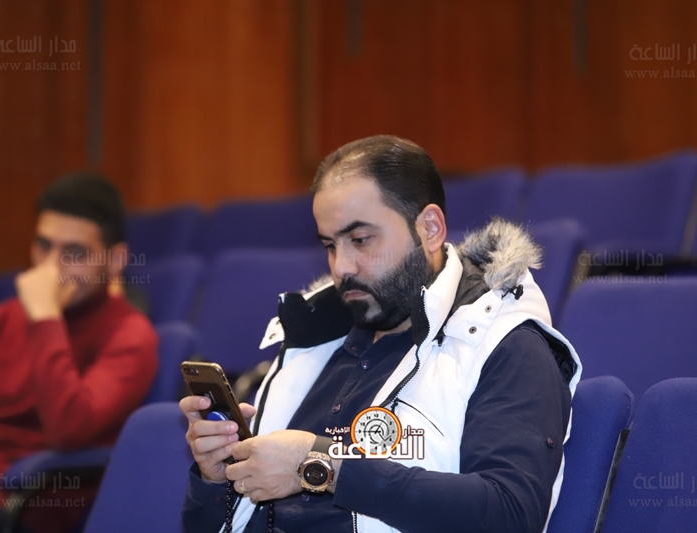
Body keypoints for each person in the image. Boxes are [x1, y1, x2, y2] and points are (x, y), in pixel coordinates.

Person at [181, 136, 581, 533]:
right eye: (330, 245)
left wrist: (322, 464)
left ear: (430, 229)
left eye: (360, 240)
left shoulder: (506, 343)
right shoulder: (312, 343)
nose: (342, 267)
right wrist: (217, 480)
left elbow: (509, 514)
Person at [0, 173, 158, 533]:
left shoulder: (131, 334)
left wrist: (45, 319)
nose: (51, 268)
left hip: (24, 501)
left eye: (74, 253)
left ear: (115, 260)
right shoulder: (7, 316)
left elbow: (70, 429)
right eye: (43, 246)